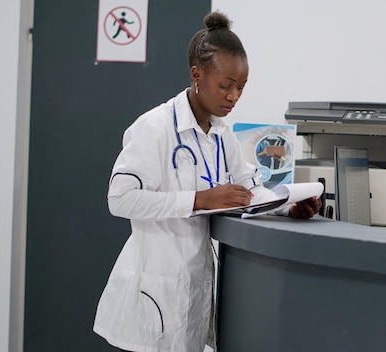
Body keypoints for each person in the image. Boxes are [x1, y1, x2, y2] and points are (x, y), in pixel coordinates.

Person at [92, 11, 321, 352]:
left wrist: (287, 206)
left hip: (195, 292)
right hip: (153, 292)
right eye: (225, 86)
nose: (233, 97)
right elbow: (120, 199)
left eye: (241, 88)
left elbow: (250, 189)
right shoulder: (155, 127)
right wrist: (199, 199)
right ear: (197, 75)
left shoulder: (221, 135)